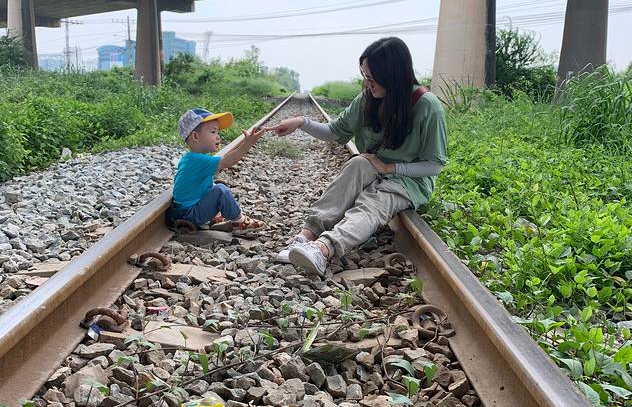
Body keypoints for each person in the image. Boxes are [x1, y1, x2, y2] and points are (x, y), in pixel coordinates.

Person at [267, 37, 447, 275]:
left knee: (374, 202)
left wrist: (389, 168)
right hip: (375, 166)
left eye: (372, 78)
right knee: (357, 165)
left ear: (391, 76)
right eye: (365, 76)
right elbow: (333, 131)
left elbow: (434, 165)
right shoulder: (367, 100)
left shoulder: (427, 106)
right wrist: (301, 122)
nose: (367, 83)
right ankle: (307, 235)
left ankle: (323, 249)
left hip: (408, 180)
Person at [167, 107, 266, 230]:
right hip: (189, 215)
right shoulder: (197, 160)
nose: (218, 136)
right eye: (213, 132)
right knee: (220, 190)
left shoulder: (190, 158)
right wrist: (248, 144)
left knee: (215, 185)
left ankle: (216, 216)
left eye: (218, 132)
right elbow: (228, 161)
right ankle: (239, 221)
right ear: (195, 136)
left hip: (184, 212)